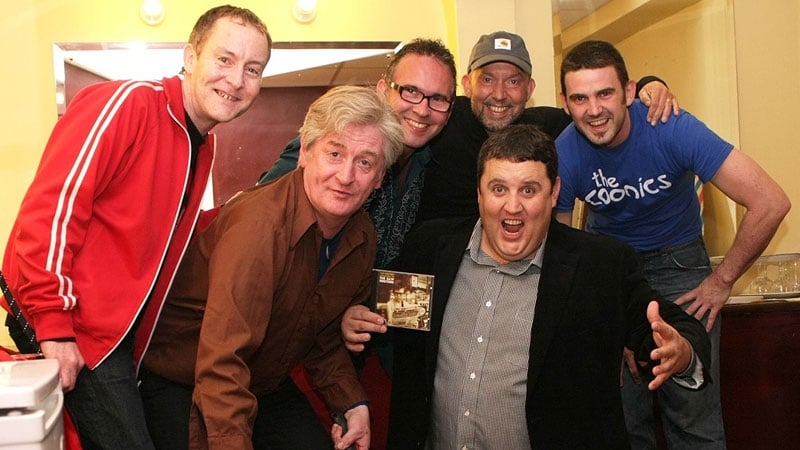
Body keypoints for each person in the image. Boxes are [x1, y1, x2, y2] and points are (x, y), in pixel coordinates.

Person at [0, 5, 271, 449]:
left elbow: (159, 236)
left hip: (117, 335)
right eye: (224, 59)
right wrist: (54, 324)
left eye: (253, 69)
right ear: (190, 56)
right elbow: (53, 208)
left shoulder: (202, 143)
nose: (237, 80)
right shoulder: (129, 102)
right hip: (74, 323)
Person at [386, 124, 711, 449]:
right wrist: (349, 318)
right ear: (479, 192)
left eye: (528, 190)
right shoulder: (428, 249)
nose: (512, 207)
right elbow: (393, 328)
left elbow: (667, 326)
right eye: (499, 189)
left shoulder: (599, 267)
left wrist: (680, 353)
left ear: (554, 192)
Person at [138, 85, 405, 450]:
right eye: (334, 153)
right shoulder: (259, 225)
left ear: (378, 178)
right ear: (305, 154)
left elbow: (320, 337)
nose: (345, 176)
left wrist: (351, 402)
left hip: (262, 382)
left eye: (364, 162)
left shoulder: (361, 238)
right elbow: (221, 363)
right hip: (191, 381)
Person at [554, 40, 791, 449]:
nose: (593, 110)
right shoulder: (565, 151)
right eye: (580, 98)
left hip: (681, 269)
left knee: (692, 415)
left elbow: (771, 202)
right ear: (565, 102)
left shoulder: (671, 127)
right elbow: (561, 247)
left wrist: (723, 280)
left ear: (629, 91)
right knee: (622, 418)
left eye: (605, 93)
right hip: (610, 272)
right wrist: (608, 320)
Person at [412, 30, 679, 223]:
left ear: (530, 89)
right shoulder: (441, 114)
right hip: (441, 264)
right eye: (488, 80)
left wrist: (649, 84)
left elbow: (598, 111)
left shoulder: (547, 127)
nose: (500, 94)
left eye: (514, 82)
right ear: (468, 84)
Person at [259, 38, 457, 269]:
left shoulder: (427, 163)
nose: (422, 110)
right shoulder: (330, 145)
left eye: (438, 99)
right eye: (411, 91)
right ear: (383, 90)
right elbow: (260, 217)